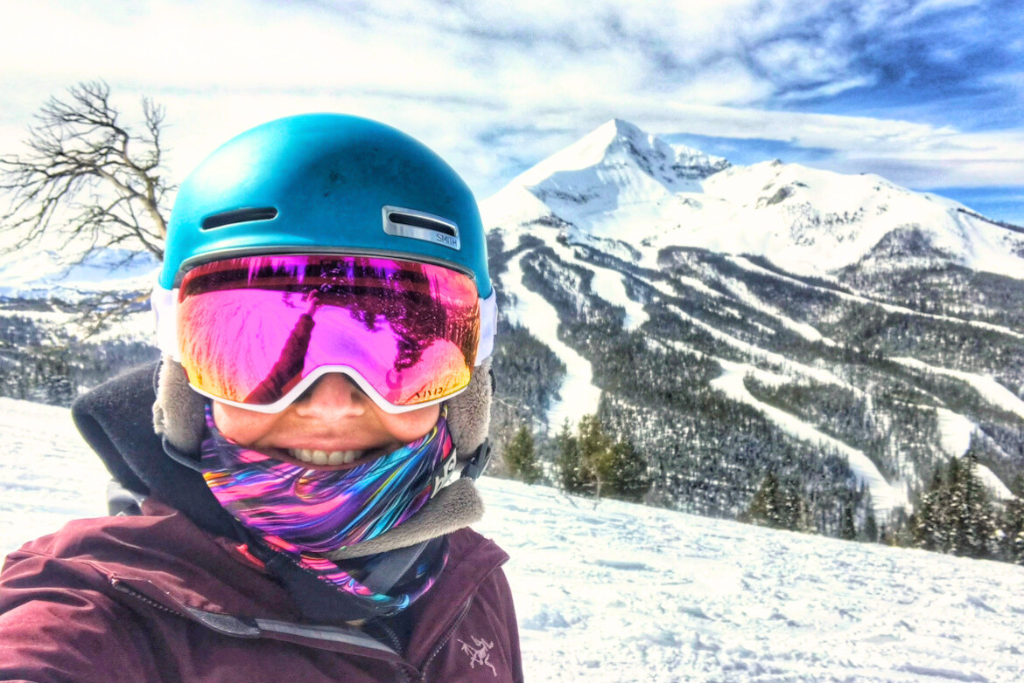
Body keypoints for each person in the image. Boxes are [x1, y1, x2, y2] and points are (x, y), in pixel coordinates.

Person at [0, 114, 521, 682]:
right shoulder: (104, 604)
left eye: (402, 354)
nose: (329, 404)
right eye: (262, 353)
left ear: (467, 394)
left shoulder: (471, 582)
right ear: (183, 381)